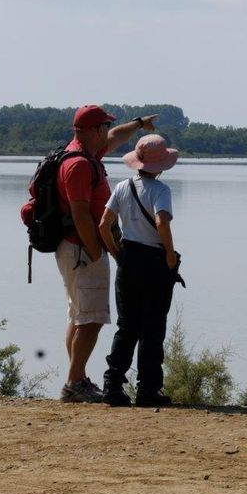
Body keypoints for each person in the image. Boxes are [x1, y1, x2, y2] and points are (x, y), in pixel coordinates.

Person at [56, 105, 157, 403]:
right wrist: (96, 250)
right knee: (91, 319)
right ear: (94, 130)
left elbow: (116, 136)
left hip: (75, 248)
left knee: (79, 315)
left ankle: (78, 378)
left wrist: (139, 124)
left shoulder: (84, 152)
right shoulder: (79, 165)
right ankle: (74, 384)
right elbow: (80, 215)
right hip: (82, 248)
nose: (107, 133)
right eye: (104, 127)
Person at [98, 134, 180, 407]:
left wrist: (115, 252)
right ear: (162, 165)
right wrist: (169, 256)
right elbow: (162, 223)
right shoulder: (161, 191)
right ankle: (147, 390)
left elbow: (103, 225)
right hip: (155, 262)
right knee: (153, 328)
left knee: (127, 326)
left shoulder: (122, 187)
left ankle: (112, 386)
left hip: (128, 259)